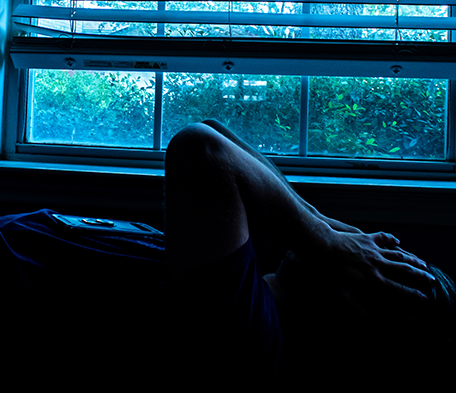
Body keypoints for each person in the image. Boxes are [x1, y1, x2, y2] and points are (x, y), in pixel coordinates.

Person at [165, 120, 455, 384]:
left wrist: (326, 239)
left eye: (375, 266)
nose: (360, 247)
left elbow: (201, 148)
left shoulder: (252, 337)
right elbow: (213, 127)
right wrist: (321, 225)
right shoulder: (254, 294)